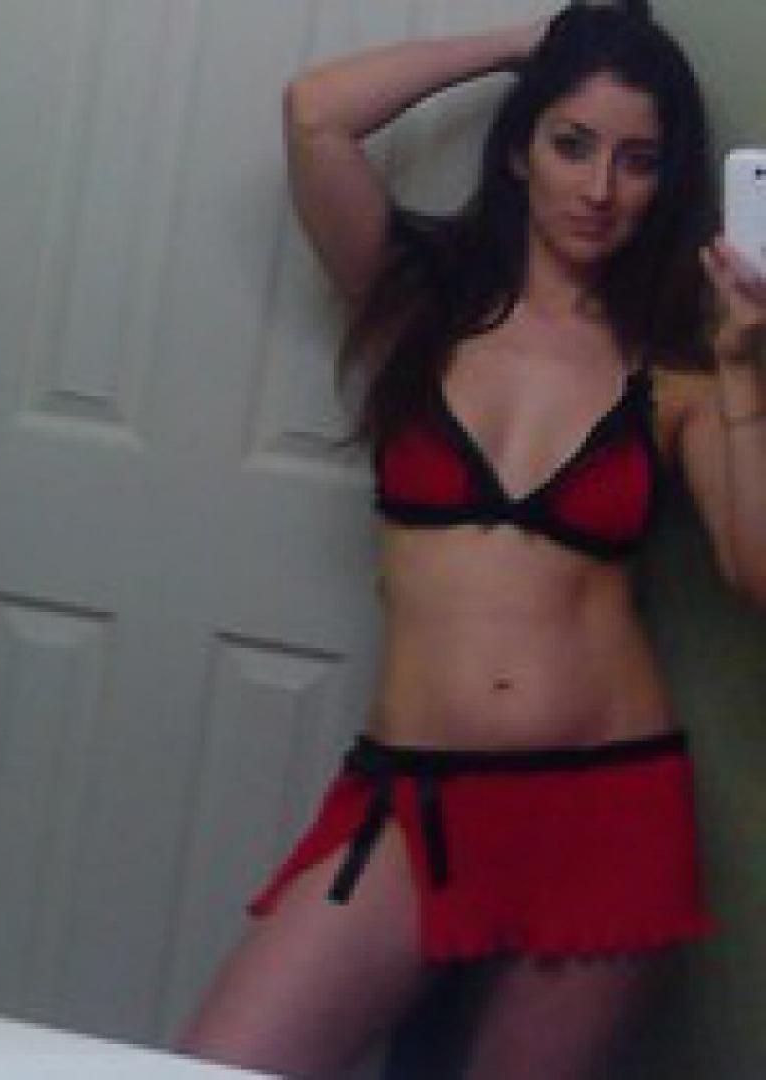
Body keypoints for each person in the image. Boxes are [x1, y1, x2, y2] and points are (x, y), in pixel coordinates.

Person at [179, 2, 766, 1076]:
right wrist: (520, 45)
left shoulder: (679, 372)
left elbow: (756, 569)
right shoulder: (420, 306)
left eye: (637, 161)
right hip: (414, 806)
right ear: (517, 149)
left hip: (608, 808)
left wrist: (741, 368)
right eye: (571, 142)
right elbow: (315, 115)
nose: (599, 189)